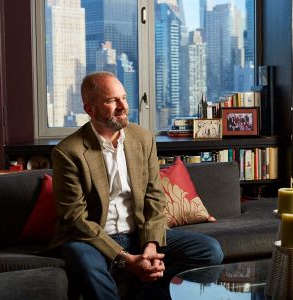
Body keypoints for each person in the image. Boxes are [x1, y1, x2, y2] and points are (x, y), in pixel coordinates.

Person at [49, 71, 223, 300]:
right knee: (86, 265)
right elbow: (75, 220)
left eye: (123, 97)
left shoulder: (143, 138)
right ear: (89, 109)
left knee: (209, 250)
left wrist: (151, 245)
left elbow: (154, 197)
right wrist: (125, 259)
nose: (122, 106)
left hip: (138, 233)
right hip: (92, 238)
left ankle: (147, 294)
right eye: (111, 100)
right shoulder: (68, 152)